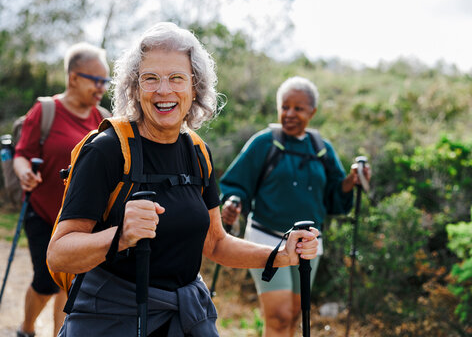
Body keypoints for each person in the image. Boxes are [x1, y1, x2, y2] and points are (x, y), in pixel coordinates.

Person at [46, 22, 319, 337]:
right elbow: (58, 253)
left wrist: (280, 254)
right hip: (112, 319)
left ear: (195, 87)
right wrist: (119, 236)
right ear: (134, 88)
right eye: (150, 78)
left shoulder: (197, 151)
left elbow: (215, 243)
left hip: (185, 318)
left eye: (177, 78)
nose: (164, 90)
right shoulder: (107, 151)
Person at [219, 76, 371, 337]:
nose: (289, 114)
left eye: (298, 109)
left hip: (309, 244)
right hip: (267, 238)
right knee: (278, 317)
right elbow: (235, 184)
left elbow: (335, 196)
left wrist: (351, 181)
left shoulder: (321, 149)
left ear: (312, 112)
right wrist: (232, 203)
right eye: (284, 107)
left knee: (293, 317)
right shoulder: (264, 143)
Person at [13, 42, 111, 337]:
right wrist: (24, 173)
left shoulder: (100, 118)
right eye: (96, 80)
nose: (102, 88)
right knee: (46, 280)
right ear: (73, 78)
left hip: (80, 218)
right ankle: (27, 329)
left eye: (105, 81)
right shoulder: (45, 110)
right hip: (42, 212)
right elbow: (21, 153)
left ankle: (60, 333)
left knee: (70, 283)